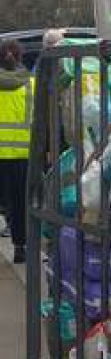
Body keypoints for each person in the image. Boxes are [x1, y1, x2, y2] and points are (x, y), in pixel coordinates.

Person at [0, 40, 34, 265]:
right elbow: (41, 119)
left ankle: (14, 237)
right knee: (24, 202)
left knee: (6, 202)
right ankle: (21, 246)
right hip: (25, 154)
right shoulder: (32, 83)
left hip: (1, 155)